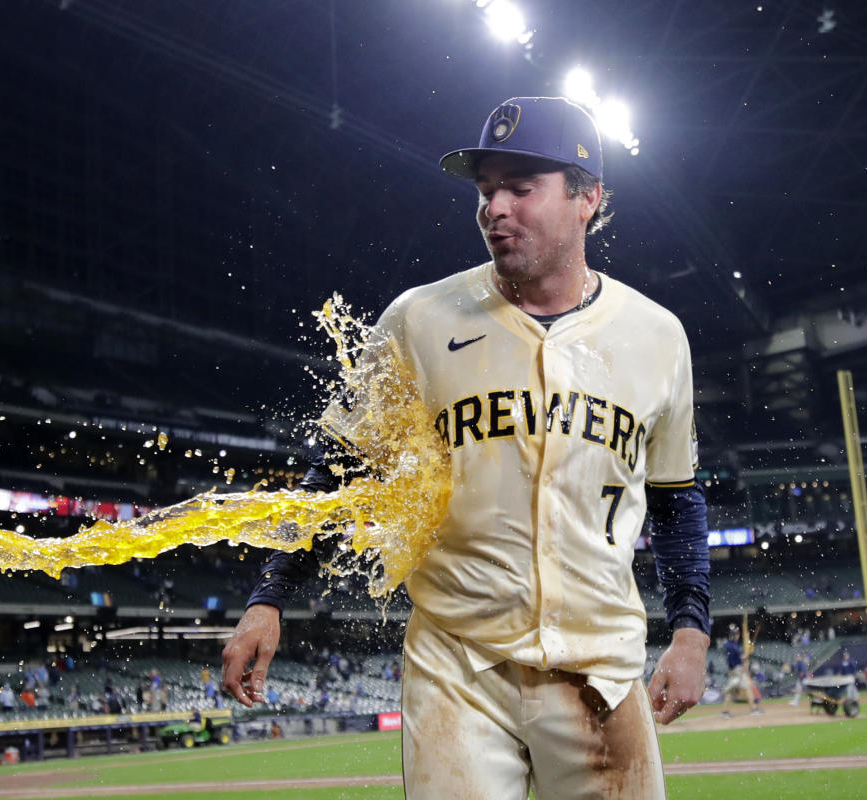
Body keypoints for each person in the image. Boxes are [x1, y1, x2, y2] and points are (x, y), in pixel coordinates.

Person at [222, 96, 711, 799]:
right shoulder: (418, 320)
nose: (495, 208)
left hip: (600, 666)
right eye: (486, 190)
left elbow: (674, 496)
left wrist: (690, 629)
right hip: (458, 665)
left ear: (587, 199)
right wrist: (270, 595)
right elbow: (338, 474)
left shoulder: (657, 335)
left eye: (521, 187)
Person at [719, 623, 760, 716]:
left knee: (732, 691)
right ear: (732, 634)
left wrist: (744, 656)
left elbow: (738, 656)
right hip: (737, 670)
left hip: (734, 670)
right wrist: (744, 658)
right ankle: (753, 709)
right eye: (736, 633)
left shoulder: (732, 644)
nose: (737, 635)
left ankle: (724, 711)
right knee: (747, 687)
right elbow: (736, 658)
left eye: (737, 633)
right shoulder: (730, 645)